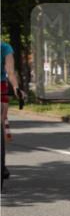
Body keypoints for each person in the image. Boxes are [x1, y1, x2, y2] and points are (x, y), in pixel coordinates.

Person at [2, 40, 21, 180]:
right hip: (1, 86)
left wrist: (16, 88)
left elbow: (9, 71)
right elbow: (10, 71)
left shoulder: (5, 47)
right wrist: (16, 88)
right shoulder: (5, 47)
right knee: (2, 118)